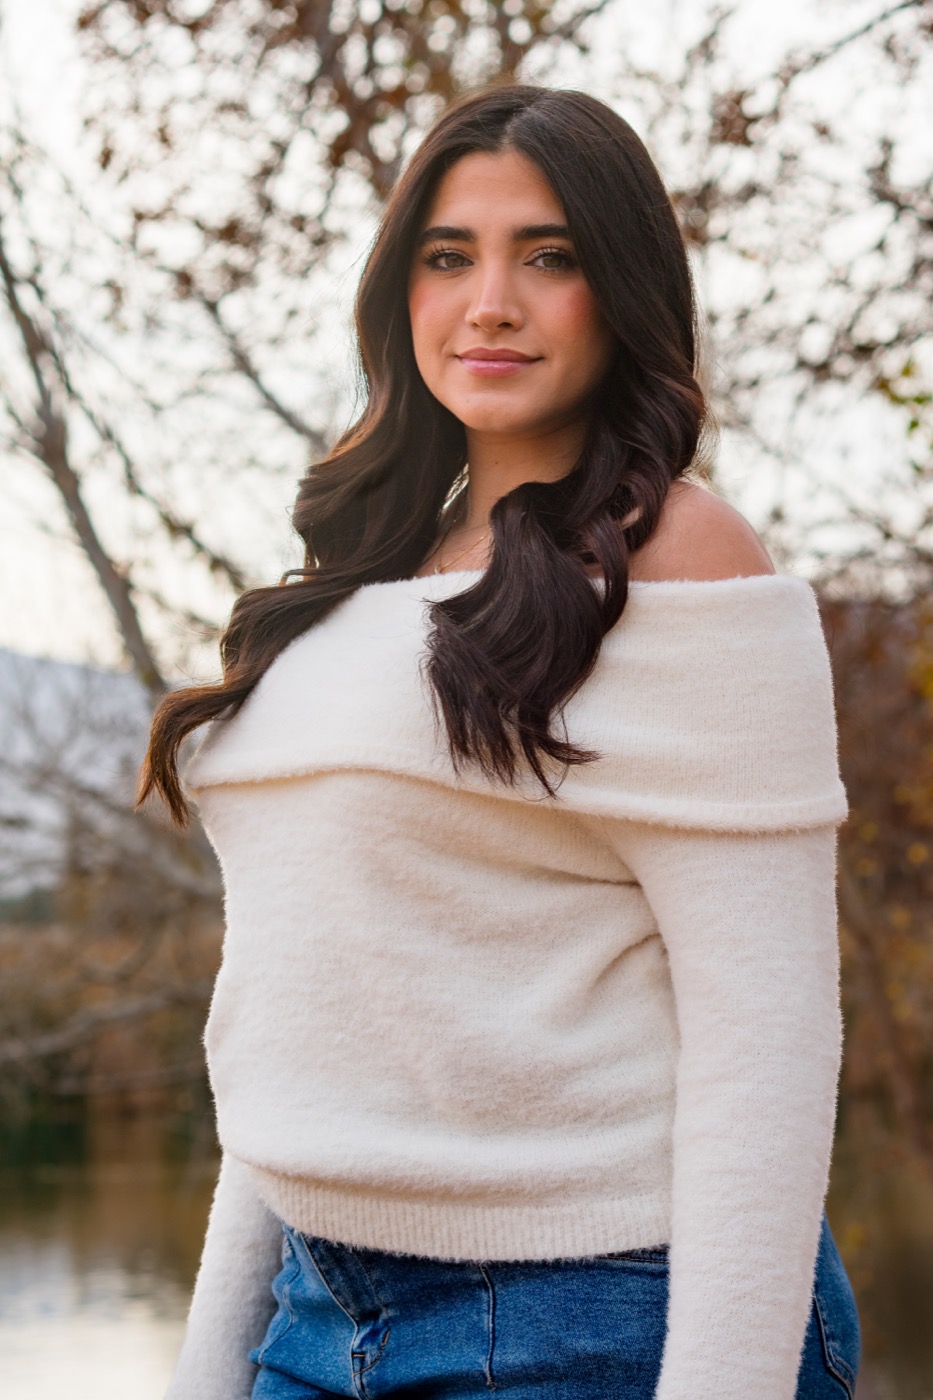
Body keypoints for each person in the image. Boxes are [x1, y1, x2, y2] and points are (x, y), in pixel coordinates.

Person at [140, 83, 861, 1400]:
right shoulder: (366, 566)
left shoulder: (683, 555)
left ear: (620, 287)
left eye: (548, 257)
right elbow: (324, 1005)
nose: (489, 303)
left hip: (587, 1310)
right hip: (310, 1310)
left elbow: (765, 1037)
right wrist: (211, 1363)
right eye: (447, 256)